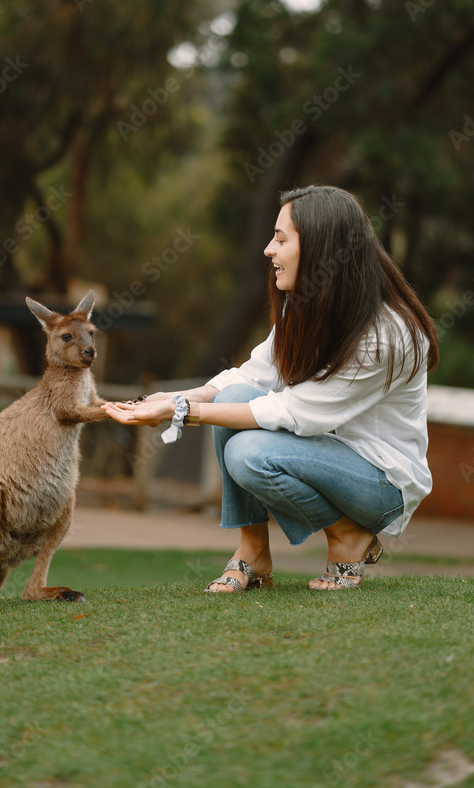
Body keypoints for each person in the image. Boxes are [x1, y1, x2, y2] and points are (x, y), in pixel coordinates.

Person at [103, 184, 439, 593]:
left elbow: (296, 413)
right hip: (328, 457)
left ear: (319, 247)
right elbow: (251, 379)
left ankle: (348, 535)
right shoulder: (309, 309)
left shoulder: (389, 334)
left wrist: (179, 411)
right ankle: (253, 552)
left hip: (383, 483)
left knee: (249, 455)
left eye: (281, 239)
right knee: (232, 399)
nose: (268, 250)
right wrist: (177, 399)